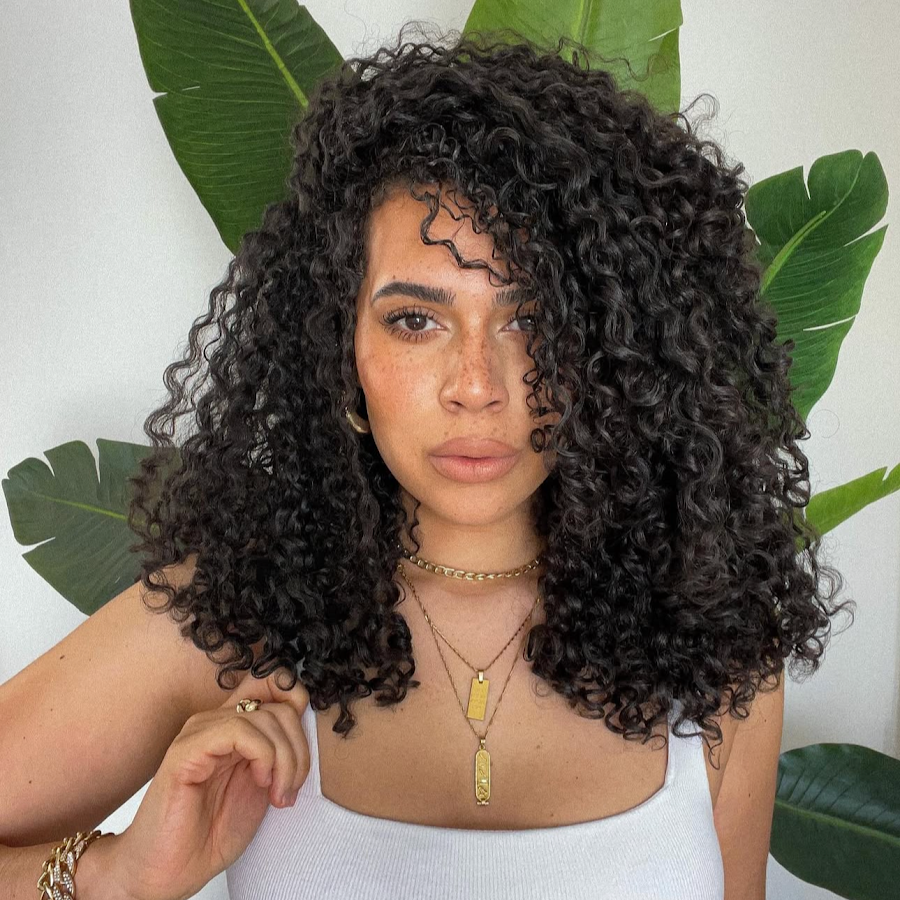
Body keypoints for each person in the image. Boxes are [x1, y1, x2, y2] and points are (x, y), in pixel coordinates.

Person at [0, 22, 852, 900]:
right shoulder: (234, 620)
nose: (476, 386)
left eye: (533, 320)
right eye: (415, 320)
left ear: (609, 349)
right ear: (339, 347)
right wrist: (113, 878)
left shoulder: (717, 645)